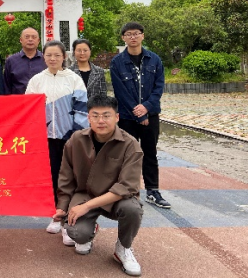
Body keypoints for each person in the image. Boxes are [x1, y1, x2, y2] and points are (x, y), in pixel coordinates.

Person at [53, 95, 144, 277]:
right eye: (95, 116)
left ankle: (123, 248)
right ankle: (90, 229)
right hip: (84, 194)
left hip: (116, 199)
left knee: (133, 209)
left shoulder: (130, 145)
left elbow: (126, 187)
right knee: (76, 233)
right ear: (88, 118)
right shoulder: (76, 140)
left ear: (117, 117)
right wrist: (62, 207)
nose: (100, 121)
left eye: (106, 115)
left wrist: (86, 206)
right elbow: (66, 178)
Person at [25, 40, 89, 236]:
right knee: (52, 176)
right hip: (46, 137)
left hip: (70, 137)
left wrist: (76, 135)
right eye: (49, 55)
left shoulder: (74, 79)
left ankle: (70, 219)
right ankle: (55, 216)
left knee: (71, 177)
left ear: (64, 57)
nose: (52, 59)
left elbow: (82, 109)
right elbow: (27, 108)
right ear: (43, 57)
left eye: (57, 55)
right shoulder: (36, 80)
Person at [110, 22, 171, 210]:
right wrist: (138, 114)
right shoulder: (117, 62)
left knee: (150, 153)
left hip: (150, 115)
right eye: (129, 34)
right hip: (128, 117)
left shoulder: (154, 60)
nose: (133, 37)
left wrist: (146, 107)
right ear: (123, 38)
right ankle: (128, 192)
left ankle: (153, 191)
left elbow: (158, 87)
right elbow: (120, 92)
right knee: (128, 155)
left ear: (142, 35)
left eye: (136, 33)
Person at [4, 28, 47, 95]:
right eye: (27, 37)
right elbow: (6, 86)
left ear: (38, 40)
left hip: (41, 99)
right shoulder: (11, 60)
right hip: (19, 100)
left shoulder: (46, 59)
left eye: (34, 37)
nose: (30, 39)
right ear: (21, 40)